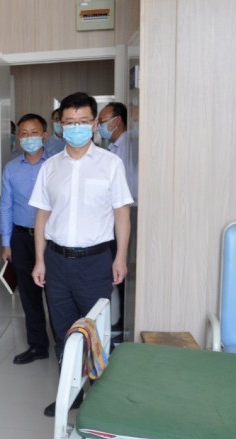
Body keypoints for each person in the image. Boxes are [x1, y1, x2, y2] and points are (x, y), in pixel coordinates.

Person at [29, 92, 133, 417]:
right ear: (60, 125)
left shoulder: (110, 164)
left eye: (83, 121)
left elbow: (122, 214)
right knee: (63, 331)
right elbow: (42, 216)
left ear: (94, 123)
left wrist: (120, 257)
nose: (76, 128)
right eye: (70, 122)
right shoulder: (50, 167)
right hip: (56, 261)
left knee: (96, 334)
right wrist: (40, 259)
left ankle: (100, 402)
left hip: (96, 261)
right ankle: (71, 395)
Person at [0, 113, 53, 364]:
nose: (29, 137)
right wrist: (6, 242)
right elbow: (6, 207)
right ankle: (38, 345)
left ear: (44, 135)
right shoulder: (11, 168)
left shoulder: (56, 164)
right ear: (18, 137)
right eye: (24, 133)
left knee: (55, 294)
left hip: (52, 239)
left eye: (34, 132)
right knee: (29, 296)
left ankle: (65, 348)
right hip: (21, 238)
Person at [98, 102, 139, 336]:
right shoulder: (112, 147)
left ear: (118, 120)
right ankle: (120, 320)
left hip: (126, 213)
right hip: (113, 217)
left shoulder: (129, 146)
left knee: (121, 268)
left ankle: (124, 323)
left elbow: (128, 188)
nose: (100, 126)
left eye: (103, 121)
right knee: (115, 270)